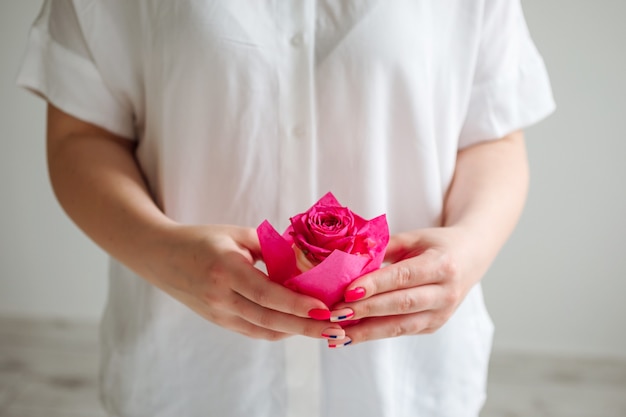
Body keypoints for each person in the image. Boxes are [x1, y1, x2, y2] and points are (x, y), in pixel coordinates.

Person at [18, 1, 554, 416]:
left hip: (405, 385)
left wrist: (470, 248)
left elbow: (493, 137)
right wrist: (162, 251)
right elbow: (81, 136)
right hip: (193, 376)